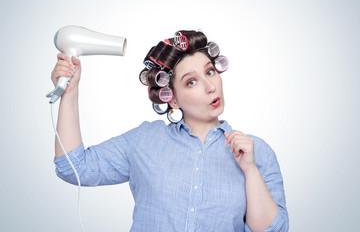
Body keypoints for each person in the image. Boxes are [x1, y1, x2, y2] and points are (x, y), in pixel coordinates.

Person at [52, 30, 289, 232]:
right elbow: (74, 167)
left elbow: (273, 229)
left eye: (210, 72)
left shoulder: (255, 151)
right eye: (191, 82)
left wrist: (250, 170)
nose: (210, 86)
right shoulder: (144, 141)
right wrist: (70, 92)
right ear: (172, 99)